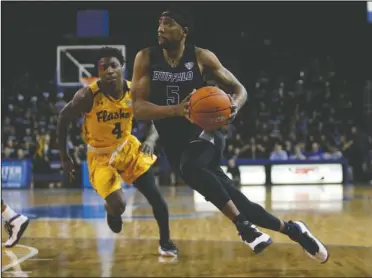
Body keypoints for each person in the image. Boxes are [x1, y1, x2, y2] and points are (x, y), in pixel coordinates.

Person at [131, 9, 329, 262]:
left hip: (204, 137)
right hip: (175, 146)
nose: (160, 28)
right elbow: (137, 108)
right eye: (159, 23)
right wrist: (177, 110)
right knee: (238, 201)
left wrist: (234, 104)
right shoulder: (146, 58)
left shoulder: (202, 57)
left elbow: (240, 89)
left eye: (168, 24)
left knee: (192, 167)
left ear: (184, 31)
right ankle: (293, 229)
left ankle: (243, 227)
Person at [57, 47, 178, 257]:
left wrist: (150, 138)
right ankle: (112, 212)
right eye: (103, 67)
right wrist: (64, 157)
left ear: (122, 67)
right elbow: (62, 120)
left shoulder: (135, 92)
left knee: (158, 200)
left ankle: (165, 243)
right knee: (119, 205)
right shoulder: (87, 95)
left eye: (114, 65)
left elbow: (156, 119)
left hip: (127, 149)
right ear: (98, 71)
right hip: (100, 156)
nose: (109, 70)